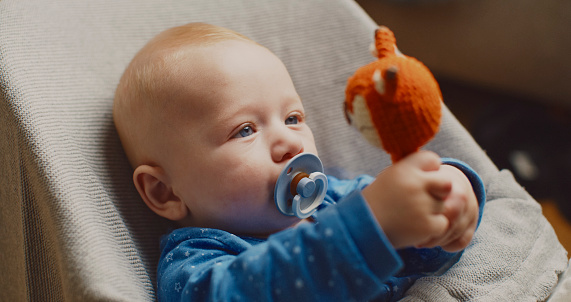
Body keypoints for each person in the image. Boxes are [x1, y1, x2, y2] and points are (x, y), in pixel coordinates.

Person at [113, 22, 486, 301]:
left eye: (292, 118)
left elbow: (418, 248)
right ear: (165, 192)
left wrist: (448, 193)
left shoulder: (338, 199)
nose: (289, 141)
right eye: (244, 130)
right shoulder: (195, 264)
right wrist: (366, 230)